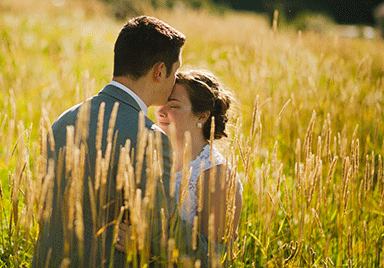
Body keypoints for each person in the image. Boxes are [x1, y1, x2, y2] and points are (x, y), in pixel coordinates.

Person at [32, 15, 191, 268]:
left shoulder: (63, 121)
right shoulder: (149, 138)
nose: (175, 81)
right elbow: (161, 232)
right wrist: (216, 251)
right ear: (160, 71)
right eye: (176, 71)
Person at [115, 70, 243, 265]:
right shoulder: (152, 159)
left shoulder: (217, 175)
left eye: (173, 105)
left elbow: (212, 259)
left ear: (202, 116)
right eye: (161, 104)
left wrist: (143, 248)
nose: (160, 112)